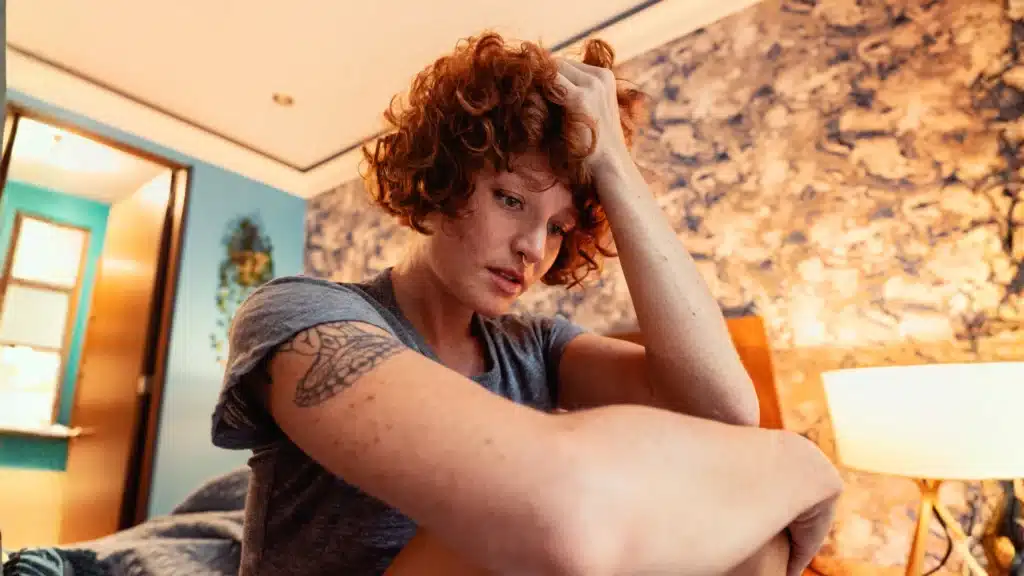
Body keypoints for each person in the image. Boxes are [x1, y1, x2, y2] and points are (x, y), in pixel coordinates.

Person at [212, 32, 842, 576]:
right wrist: (799, 460)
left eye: (561, 226)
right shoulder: (299, 313)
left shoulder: (536, 345)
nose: (533, 248)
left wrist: (616, 168)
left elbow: (725, 414)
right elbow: (558, 513)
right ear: (438, 184)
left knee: (760, 535)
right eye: (511, 199)